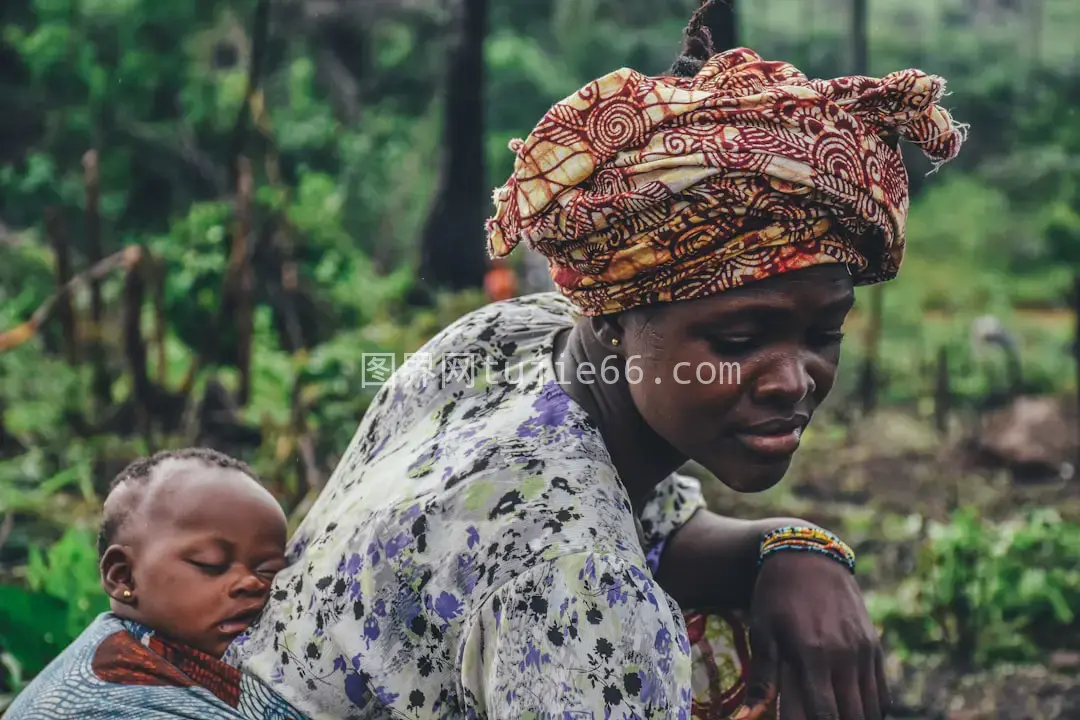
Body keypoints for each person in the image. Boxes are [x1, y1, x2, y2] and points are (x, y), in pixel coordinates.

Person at [226, 11, 965, 720]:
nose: (793, 379)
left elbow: (652, 524)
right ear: (613, 317)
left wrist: (796, 548)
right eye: (739, 341)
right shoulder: (576, 581)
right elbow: (578, 541)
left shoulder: (506, 341)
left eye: (824, 332)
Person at [4, 448, 305, 719]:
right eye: (211, 563)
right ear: (123, 576)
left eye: (268, 569)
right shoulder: (109, 704)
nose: (250, 582)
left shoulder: (171, 657)